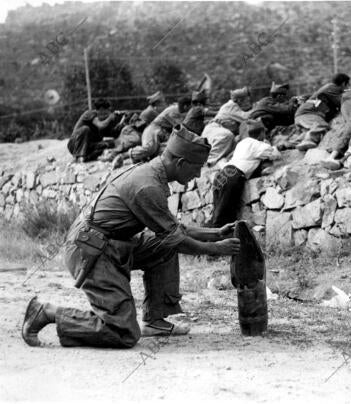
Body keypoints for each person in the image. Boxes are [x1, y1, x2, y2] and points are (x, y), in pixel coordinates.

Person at [21, 114, 242, 349]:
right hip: (91, 251)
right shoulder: (148, 186)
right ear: (180, 163)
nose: (198, 175)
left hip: (108, 244)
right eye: (196, 168)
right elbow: (178, 240)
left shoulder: (151, 173)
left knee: (162, 246)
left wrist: (216, 233)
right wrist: (216, 249)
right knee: (123, 333)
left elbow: (174, 230)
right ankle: (47, 312)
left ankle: (155, 320)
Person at [209, 119, 281, 228]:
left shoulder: (241, 143)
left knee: (217, 212)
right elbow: (275, 154)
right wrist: (269, 144)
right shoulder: (257, 144)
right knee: (224, 216)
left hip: (222, 174)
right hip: (233, 176)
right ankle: (217, 241)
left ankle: (210, 237)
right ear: (261, 133)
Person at [103, 91, 167, 167]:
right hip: (131, 132)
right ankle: (111, 154)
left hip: (137, 132)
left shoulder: (153, 111)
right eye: (163, 103)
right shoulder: (151, 112)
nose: (165, 105)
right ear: (156, 104)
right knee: (134, 141)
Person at [294, 73, 350, 152]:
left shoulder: (329, 87)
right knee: (321, 125)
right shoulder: (333, 88)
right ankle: (308, 140)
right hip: (308, 114)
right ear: (344, 83)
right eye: (348, 84)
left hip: (303, 116)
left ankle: (293, 143)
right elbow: (342, 102)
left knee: (311, 131)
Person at [129, 95, 191, 163]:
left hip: (162, 132)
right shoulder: (173, 111)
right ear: (185, 106)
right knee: (149, 149)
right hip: (153, 129)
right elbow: (180, 128)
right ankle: (130, 153)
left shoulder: (179, 111)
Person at [201, 87, 252, 167]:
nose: (248, 102)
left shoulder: (234, 106)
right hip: (215, 130)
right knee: (228, 135)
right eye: (246, 100)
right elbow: (246, 117)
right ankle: (210, 163)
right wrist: (258, 108)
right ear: (239, 100)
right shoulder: (231, 106)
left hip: (214, 131)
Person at [67, 98, 123, 163]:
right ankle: (79, 158)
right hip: (74, 145)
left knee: (110, 143)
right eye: (104, 113)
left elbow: (114, 134)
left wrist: (121, 122)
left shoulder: (105, 122)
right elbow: (101, 125)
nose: (106, 116)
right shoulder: (89, 114)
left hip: (88, 146)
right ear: (99, 110)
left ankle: (88, 158)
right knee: (85, 129)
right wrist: (110, 118)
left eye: (107, 113)